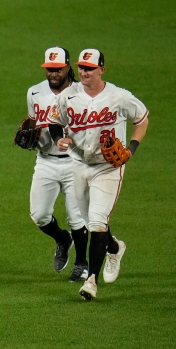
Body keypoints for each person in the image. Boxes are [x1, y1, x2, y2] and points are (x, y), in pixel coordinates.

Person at [48, 49, 149, 300]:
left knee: (95, 221)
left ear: (101, 69)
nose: (84, 72)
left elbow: (142, 119)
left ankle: (91, 281)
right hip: (79, 165)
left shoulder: (119, 96)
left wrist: (131, 149)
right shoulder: (69, 95)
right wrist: (59, 139)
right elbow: (54, 120)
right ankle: (114, 248)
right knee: (90, 220)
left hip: (108, 168)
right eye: (81, 67)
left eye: (90, 68)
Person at [24, 47, 89, 282]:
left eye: (57, 69)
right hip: (45, 162)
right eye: (49, 69)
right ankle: (63, 239)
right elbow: (33, 123)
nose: (53, 73)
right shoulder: (34, 93)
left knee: (77, 218)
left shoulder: (82, 93)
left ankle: (82, 264)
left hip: (75, 163)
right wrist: (28, 136)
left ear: (68, 67)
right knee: (39, 215)